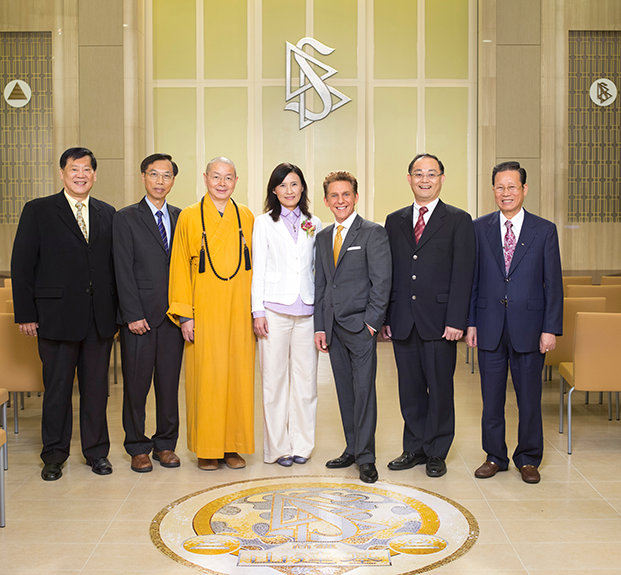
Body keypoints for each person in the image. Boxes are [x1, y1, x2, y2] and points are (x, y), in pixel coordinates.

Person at [11, 147, 117, 481]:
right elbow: (22, 264)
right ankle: (54, 455)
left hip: (98, 318)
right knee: (57, 390)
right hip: (55, 317)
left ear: (95, 175)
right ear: (62, 173)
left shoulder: (107, 212)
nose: (81, 175)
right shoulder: (38, 210)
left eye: (87, 169)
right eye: (74, 169)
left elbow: (113, 267)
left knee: (96, 391)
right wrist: (26, 314)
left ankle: (96, 452)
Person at [466, 161, 562, 484]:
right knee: (491, 399)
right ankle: (494, 456)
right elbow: (472, 280)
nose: (505, 193)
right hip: (489, 325)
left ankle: (528, 458)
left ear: (524, 189)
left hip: (530, 329)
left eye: (512, 187)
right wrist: (471, 322)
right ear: (493, 190)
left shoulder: (544, 230)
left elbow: (553, 284)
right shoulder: (479, 228)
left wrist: (550, 329)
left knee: (529, 399)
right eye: (500, 187)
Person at [382, 153, 475, 478]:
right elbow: (389, 272)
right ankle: (414, 448)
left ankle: (437, 451)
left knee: (440, 389)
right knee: (409, 390)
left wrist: (457, 320)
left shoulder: (459, 220)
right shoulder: (394, 220)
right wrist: (387, 317)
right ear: (409, 178)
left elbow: (463, 273)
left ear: (441, 179)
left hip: (440, 322)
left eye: (431, 174)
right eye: (418, 173)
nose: (425, 179)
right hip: (403, 320)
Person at [167, 157, 254, 471]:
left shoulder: (246, 216)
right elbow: (179, 266)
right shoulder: (189, 216)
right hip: (204, 310)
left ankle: (232, 446)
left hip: (239, 310)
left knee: (237, 379)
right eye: (216, 177)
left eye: (228, 177)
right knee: (207, 379)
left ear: (236, 181)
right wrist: (185, 315)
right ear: (205, 178)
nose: (222, 183)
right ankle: (207, 448)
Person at [314, 171, 391, 484]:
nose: (340, 200)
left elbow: (382, 281)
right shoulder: (322, 237)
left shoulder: (373, 233)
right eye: (334, 195)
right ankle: (352, 448)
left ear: (356, 197)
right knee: (345, 392)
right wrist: (320, 326)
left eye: (346, 194)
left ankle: (366, 457)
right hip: (333, 328)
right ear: (326, 201)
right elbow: (321, 284)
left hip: (360, 327)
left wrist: (371, 323)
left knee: (363, 392)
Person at [113, 153, 184, 473]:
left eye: (166, 175)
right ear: (143, 177)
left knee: (169, 386)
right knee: (136, 387)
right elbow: (122, 268)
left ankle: (166, 444)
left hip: (172, 318)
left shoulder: (182, 218)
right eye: (154, 174)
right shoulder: (126, 218)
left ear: (173, 180)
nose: (160, 181)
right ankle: (138, 446)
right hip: (139, 319)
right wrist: (132, 314)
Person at [252, 163, 322, 467]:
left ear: (302, 187)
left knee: (306, 382)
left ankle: (302, 445)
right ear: (274, 190)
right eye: (282, 185)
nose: (289, 190)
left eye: (294, 184)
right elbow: (259, 268)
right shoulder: (263, 223)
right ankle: (278, 448)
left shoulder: (314, 222)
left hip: (307, 309)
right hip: (273, 310)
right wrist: (257, 310)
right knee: (274, 381)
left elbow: (317, 268)